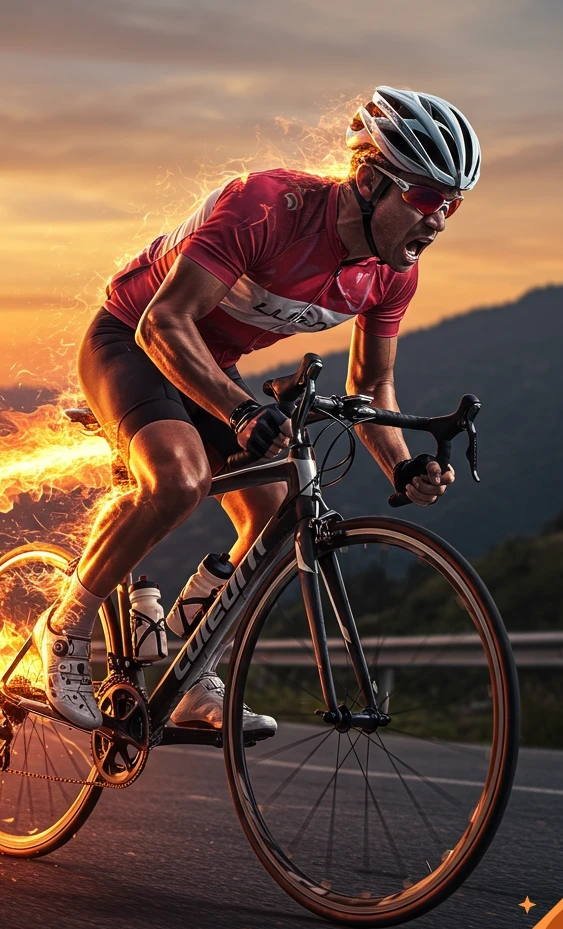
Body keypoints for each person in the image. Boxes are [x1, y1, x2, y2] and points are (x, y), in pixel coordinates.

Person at [34, 86, 483, 732]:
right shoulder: (267, 207)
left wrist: (403, 468)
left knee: (275, 511)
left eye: (454, 204)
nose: (439, 220)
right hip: (133, 336)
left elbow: (372, 389)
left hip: (209, 363)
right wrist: (241, 410)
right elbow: (163, 323)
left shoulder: (391, 275)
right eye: (425, 198)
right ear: (367, 179)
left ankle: (194, 675)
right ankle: (66, 627)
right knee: (179, 477)